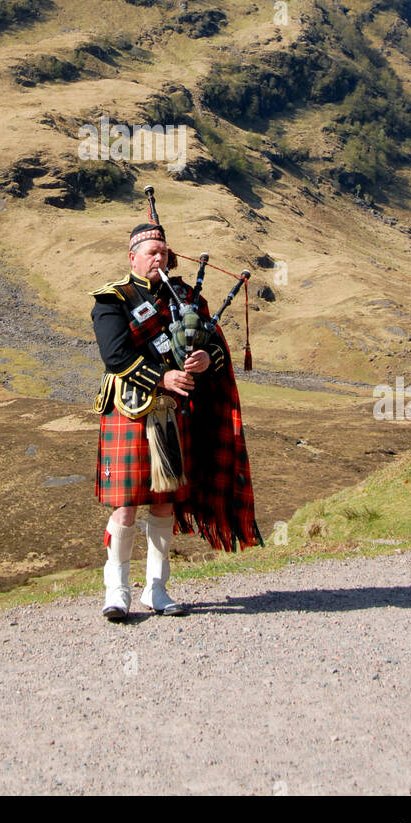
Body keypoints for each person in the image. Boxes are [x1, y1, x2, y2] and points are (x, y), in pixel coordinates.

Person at [90, 220, 262, 621]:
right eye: (151, 253)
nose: (159, 258)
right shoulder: (112, 300)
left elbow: (215, 344)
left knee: (165, 503)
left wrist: (205, 359)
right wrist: (163, 376)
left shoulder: (184, 296)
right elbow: (115, 357)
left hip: (173, 413)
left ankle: (157, 588)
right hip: (131, 408)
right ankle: (116, 589)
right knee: (127, 506)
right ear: (132, 257)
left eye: (163, 252)